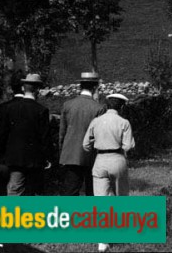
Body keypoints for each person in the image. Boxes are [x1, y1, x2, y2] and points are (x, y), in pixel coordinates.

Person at [83, 93, 135, 253]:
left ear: (106, 105)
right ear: (122, 106)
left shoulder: (96, 121)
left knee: (101, 201)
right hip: (117, 159)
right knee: (120, 198)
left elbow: (86, 145)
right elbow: (128, 146)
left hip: (100, 160)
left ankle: (102, 241)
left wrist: (98, 143)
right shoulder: (124, 122)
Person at [0, 73, 53, 196]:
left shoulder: (10, 108)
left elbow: (1, 132)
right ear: (37, 90)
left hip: (14, 157)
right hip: (34, 159)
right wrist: (48, 157)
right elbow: (44, 137)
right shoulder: (41, 110)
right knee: (33, 191)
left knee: (15, 189)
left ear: (23, 88)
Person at [58, 72, 105, 196]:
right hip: (91, 156)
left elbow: (62, 133)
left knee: (70, 192)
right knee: (92, 192)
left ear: (80, 86)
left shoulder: (67, 105)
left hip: (70, 155)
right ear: (95, 88)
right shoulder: (99, 108)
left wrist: (62, 152)